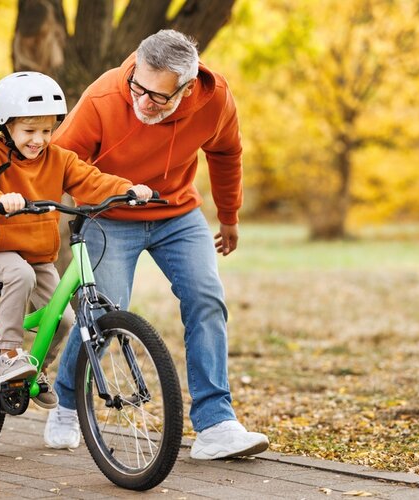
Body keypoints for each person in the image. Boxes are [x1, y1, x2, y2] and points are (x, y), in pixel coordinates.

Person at [43, 29, 269, 460]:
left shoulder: (215, 98)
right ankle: (68, 402)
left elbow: (226, 153)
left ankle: (216, 424)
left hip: (177, 213)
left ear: (187, 88)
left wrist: (229, 216)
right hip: (108, 215)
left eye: (158, 97)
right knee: (106, 313)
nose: (143, 101)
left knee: (206, 298)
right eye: (139, 88)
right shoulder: (104, 97)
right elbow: (55, 162)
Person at [0, 71, 152, 410]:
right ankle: (8, 355)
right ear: (5, 126)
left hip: (38, 254)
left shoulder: (58, 158)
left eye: (47, 131)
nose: (39, 139)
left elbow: (90, 179)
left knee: (65, 318)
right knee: (20, 276)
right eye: (30, 131)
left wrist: (126, 188)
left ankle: (33, 371)